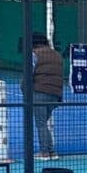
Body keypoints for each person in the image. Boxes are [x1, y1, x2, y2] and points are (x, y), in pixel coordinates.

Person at [30, 31, 63, 159]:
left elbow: (29, 72)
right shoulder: (57, 55)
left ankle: (44, 152)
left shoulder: (34, 54)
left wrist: (25, 89)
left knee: (41, 123)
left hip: (39, 92)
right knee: (43, 122)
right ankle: (52, 151)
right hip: (55, 95)